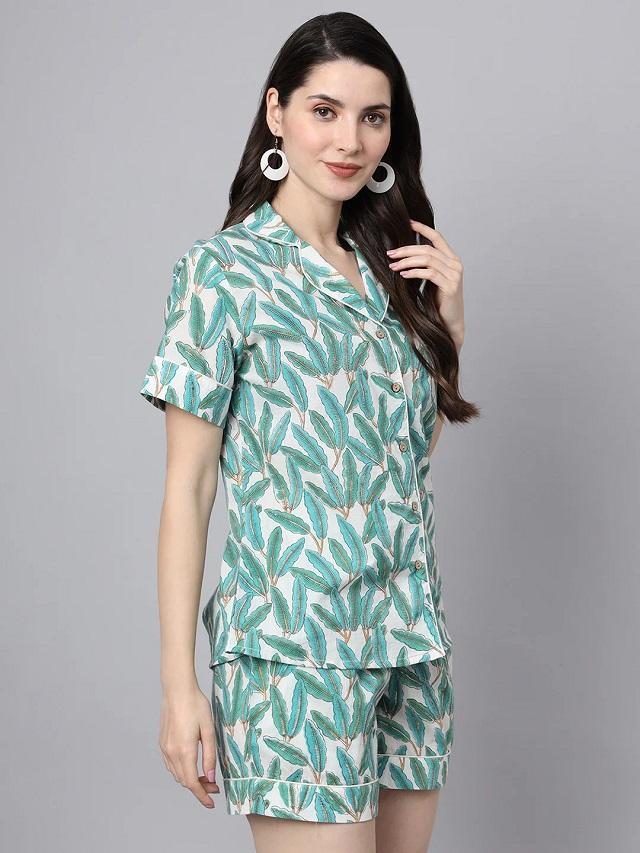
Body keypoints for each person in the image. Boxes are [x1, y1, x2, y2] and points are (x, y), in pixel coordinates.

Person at [138, 11, 479, 853]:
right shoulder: (222, 273)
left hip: (409, 639)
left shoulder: (390, 275)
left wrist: (449, 332)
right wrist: (179, 686)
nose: (350, 140)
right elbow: (189, 486)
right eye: (325, 110)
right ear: (277, 112)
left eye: (373, 117)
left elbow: (401, 461)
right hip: (294, 647)